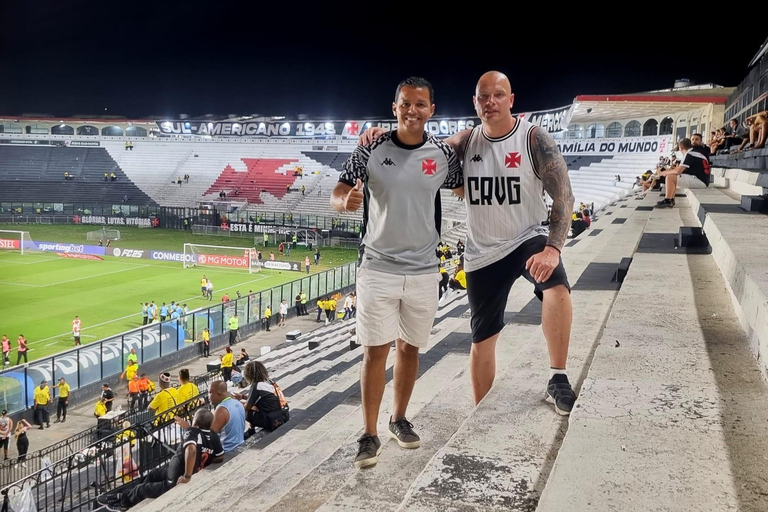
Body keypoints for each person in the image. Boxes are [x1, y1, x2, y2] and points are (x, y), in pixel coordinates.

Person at [362, 71, 577, 417]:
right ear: (474, 103)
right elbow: (417, 149)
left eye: (498, 94)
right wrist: (381, 136)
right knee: (482, 340)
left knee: (557, 288)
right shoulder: (466, 142)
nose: (490, 101)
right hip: (481, 251)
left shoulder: (533, 138)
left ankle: (558, 376)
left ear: (511, 99)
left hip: (526, 236)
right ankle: (481, 414)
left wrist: (552, 249)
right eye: (483, 96)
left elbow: (564, 196)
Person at [333, 77, 463, 469]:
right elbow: (338, 192)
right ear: (395, 108)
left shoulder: (442, 154)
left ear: (431, 111)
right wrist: (345, 202)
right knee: (375, 353)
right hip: (377, 268)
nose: (412, 110)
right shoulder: (370, 148)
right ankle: (369, 434)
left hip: (425, 270)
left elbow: (462, 182)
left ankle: (399, 419)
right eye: (406, 103)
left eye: (420, 104)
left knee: (410, 349)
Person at [98, 409, 224, 511]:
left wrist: (187, 475)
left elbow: (191, 450)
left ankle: (122, 502)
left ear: (195, 421)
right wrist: (204, 462)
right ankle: (124, 495)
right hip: (174, 471)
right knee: (153, 473)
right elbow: (219, 457)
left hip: (175, 478)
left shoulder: (192, 432)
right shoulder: (213, 436)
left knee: (142, 489)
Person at [238, 361, 289, 437]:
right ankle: (251, 429)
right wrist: (242, 397)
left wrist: (237, 403)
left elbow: (247, 406)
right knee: (255, 407)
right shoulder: (270, 382)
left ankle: (249, 430)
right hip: (283, 415)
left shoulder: (256, 386)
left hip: (273, 420)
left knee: (244, 410)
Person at [656, 137, 709, 207]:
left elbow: (678, 171)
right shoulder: (694, 153)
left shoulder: (689, 154)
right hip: (702, 180)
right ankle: (671, 199)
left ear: (681, 147)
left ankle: (668, 200)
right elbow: (680, 169)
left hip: (700, 181)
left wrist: (663, 173)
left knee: (670, 177)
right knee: (672, 176)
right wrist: (669, 170)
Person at [209, 380, 245, 453]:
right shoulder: (238, 403)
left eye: (210, 392)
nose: (208, 396)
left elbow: (210, 436)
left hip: (227, 451)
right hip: (240, 444)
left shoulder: (222, 409)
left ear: (218, 393)